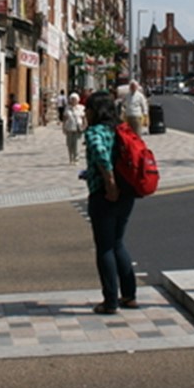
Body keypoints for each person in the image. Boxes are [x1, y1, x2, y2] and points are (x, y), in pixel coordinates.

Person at [82, 90, 138, 315]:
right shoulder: (120, 129)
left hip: (105, 194)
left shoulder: (95, 131)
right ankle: (129, 295)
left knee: (104, 247)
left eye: (88, 108)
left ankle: (110, 300)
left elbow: (99, 152)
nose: (85, 112)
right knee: (117, 243)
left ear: (96, 111)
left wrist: (109, 181)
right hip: (127, 192)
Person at [61, 92, 86, 164]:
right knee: (69, 144)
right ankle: (71, 158)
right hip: (69, 128)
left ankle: (76, 158)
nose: (73, 101)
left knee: (77, 145)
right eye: (72, 99)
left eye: (75, 99)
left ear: (78, 100)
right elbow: (65, 118)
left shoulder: (81, 108)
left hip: (78, 128)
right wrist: (63, 127)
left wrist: (84, 126)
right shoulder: (67, 108)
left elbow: (84, 118)